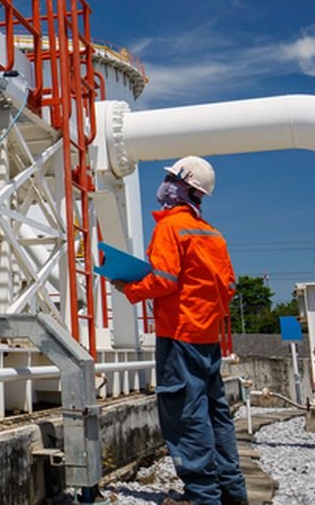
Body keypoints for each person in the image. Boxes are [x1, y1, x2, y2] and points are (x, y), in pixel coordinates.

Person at [112, 156, 248, 505]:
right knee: (215, 413)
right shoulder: (213, 234)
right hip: (207, 338)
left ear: (184, 188)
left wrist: (129, 288)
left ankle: (202, 495)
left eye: (172, 179)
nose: (166, 185)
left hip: (178, 335)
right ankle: (232, 491)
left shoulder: (170, 228)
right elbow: (229, 286)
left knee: (185, 415)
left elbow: (164, 279)